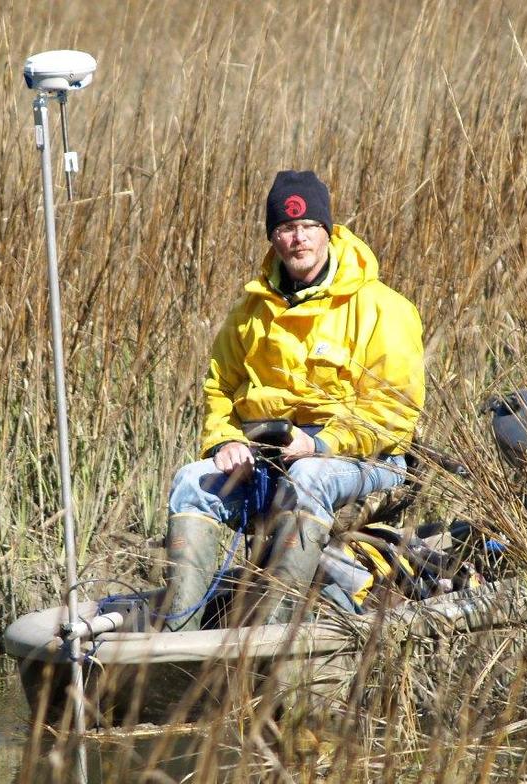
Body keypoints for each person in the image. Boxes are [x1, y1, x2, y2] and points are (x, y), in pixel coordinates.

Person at [164, 170, 426, 630]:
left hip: (365, 458)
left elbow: (395, 413)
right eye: (285, 229)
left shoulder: (385, 308)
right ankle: (176, 636)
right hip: (266, 462)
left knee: (307, 477)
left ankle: (269, 637)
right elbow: (219, 390)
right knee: (191, 482)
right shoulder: (248, 313)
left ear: (328, 231)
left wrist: (320, 445)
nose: (298, 239)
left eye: (308, 227)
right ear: (273, 238)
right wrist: (225, 443)